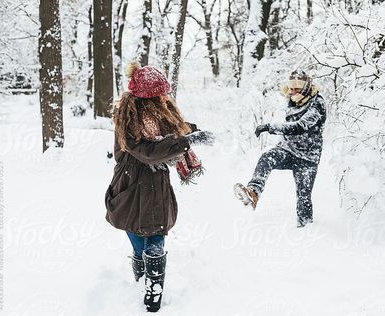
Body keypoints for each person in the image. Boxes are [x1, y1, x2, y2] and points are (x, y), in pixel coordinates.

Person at [104, 61, 214, 312]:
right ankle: (139, 280)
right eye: (160, 92)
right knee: (139, 243)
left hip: (156, 188)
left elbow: (175, 130)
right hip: (131, 189)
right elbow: (148, 152)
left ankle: (153, 301)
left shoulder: (159, 112)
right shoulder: (128, 119)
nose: (165, 96)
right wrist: (186, 141)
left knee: (155, 244)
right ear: (147, 96)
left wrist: (194, 132)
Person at [234, 70, 326, 228]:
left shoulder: (317, 103)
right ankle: (253, 193)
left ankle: (306, 229)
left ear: (305, 88)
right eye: (290, 88)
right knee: (267, 157)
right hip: (287, 150)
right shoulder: (292, 101)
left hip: (308, 157)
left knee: (304, 197)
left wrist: (270, 127)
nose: (292, 91)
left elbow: (300, 126)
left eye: (296, 88)